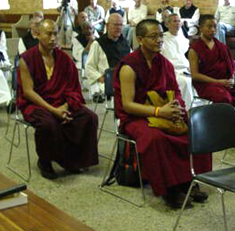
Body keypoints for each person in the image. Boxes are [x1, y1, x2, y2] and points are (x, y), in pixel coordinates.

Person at [115, 19, 211, 208]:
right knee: (156, 138)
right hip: (136, 117)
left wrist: (177, 108)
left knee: (193, 129)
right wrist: (159, 111)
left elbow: (174, 90)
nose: (159, 40)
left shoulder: (164, 63)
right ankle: (170, 189)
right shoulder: (129, 67)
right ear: (140, 39)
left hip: (164, 111)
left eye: (160, 35)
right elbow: (127, 105)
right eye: (153, 37)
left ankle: (189, 180)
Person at [17, 19, 99, 180]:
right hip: (36, 104)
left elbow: (74, 88)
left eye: (55, 33)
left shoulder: (64, 59)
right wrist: (54, 110)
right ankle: (45, 161)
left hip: (62, 103)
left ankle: (74, 160)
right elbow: (28, 92)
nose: (53, 38)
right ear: (37, 34)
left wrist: (65, 106)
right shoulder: (27, 59)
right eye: (49, 34)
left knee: (89, 117)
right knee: (49, 124)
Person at [85, 13, 131, 102]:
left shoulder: (126, 43)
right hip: (108, 82)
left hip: (126, 80)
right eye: (116, 24)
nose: (118, 28)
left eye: (121, 25)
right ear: (107, 25)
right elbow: (89, 67)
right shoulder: (98, 44)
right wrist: (100, 78)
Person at [161, 13, 194, 109]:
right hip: (172, 71)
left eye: (179, 21)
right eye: (174, 21)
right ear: (167, 24)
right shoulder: (163, 38)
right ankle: (186, 110)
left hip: (186, 69)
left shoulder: (182, 37)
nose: (177, 23)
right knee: (184, 82)